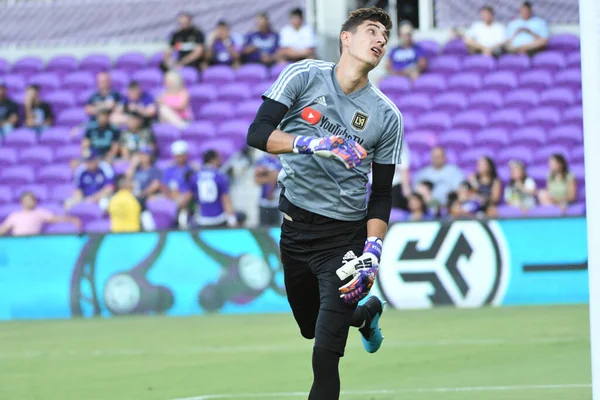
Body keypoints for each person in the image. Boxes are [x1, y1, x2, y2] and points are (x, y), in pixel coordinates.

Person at [246, 7, 401, 400]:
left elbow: (381, 194)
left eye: (385, 35)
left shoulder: (386, 116)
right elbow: (258, 132)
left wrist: (373, 250)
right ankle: (366, 314)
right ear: (345, 38)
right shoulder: (304, 75)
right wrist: (313, 143)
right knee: (310, 327)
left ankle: (356, 311)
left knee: (324, 357)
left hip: (342, 237)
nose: (380, 39)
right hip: (295, 230)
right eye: (371, 31)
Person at [192, 150, 238, 228]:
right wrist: (231, 217)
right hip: (219, 218)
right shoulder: (220, 176)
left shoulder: (195, 177)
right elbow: (225, 198)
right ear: (213, 160)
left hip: (203, 219)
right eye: (218, 158)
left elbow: (191, 196)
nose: (220, 161)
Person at [0, 191, 81, 236]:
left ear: (35, 201)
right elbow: (3, 229)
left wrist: (72, 219)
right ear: (21, 202)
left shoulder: (40, 213)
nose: (28, 202)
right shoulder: (15, 215)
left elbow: (55, 218)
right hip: (17, 242)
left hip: (33, 242)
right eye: (26, 200)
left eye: (30, 200)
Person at [161, 140, 195, 228]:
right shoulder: (169, 170)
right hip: (172, 199)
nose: (179, 158)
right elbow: (165, 186)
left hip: (187, 201)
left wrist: (183, 200)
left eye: (181, 155)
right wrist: (172, 198)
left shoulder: (191, 169)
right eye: (177, 156)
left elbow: (192, 189)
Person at [254, 153, 282, 226]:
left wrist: (267, 173)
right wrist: (272, 176)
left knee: (277, 228)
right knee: (263, 228)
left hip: (277, 203)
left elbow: (280, 178)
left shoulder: (281, 159)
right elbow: (257, 180)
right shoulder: (262, 159)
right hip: (264, 202)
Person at [390, 141, 411, 210]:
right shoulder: (372, 139)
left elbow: (404, 168)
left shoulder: (398, 142)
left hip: (393, 185)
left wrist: (406, 189)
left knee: (393, 213)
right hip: (374, 185)